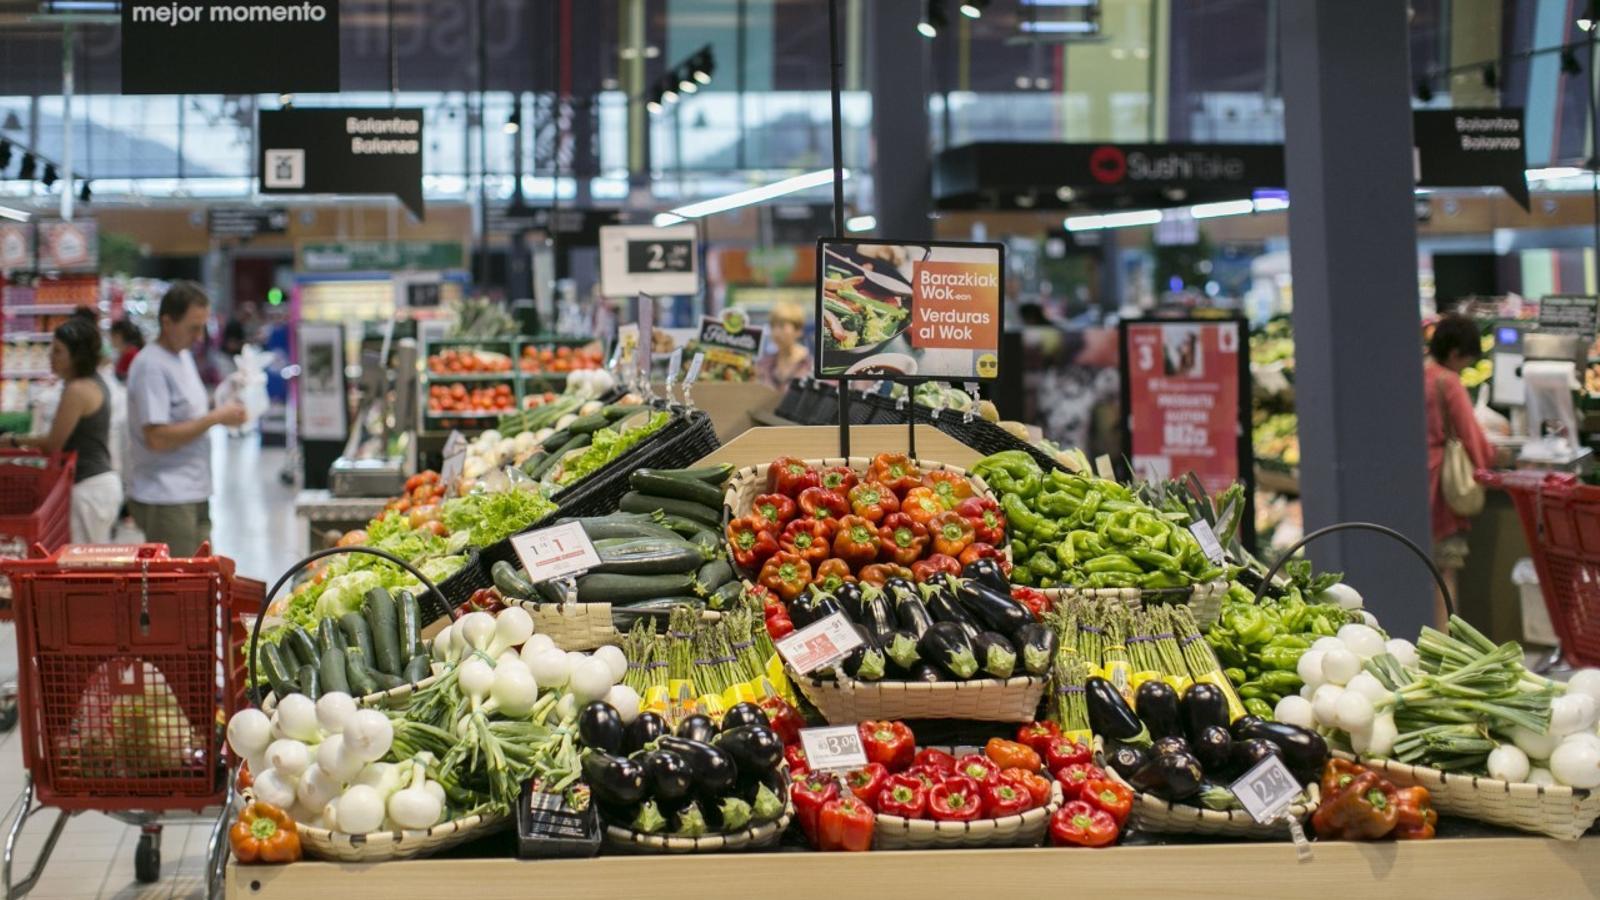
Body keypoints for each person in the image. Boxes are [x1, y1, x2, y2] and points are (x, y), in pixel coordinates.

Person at [125, 282, 246, 556]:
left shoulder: (182, 357)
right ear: (167, 322)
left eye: (203, 327)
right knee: (179, 586)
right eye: (193, 327)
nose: (200, 336)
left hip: (194, 488)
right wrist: (215, 417)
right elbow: (157, 438)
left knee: (201, 579)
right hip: (166, 495)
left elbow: (191, 413)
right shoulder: (151, 366)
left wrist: (226, 404)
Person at [0, 318, 123, 543]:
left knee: (85, 566)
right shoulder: (92, 382)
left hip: (88, 487)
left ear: (77, 355)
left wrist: (13, 441)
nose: (50, 357)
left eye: (58, 351)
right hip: (98, 484)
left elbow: (54, 443)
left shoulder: (77, 390)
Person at [1424, 315, 1496, 629]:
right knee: (1445, 572)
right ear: (1456, 353)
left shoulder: (1419, 374)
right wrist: (1487, 464)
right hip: (1442, 487)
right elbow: (1471, 435)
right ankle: (1444, 646)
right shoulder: (1447, 381)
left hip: (1417, 482)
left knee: (1423, 568)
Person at [755, 301, 813, 388]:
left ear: (798, 330)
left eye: (782, 326)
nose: (776, 332)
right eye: (773, 326)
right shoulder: (763, 364)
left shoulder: (810, 366)